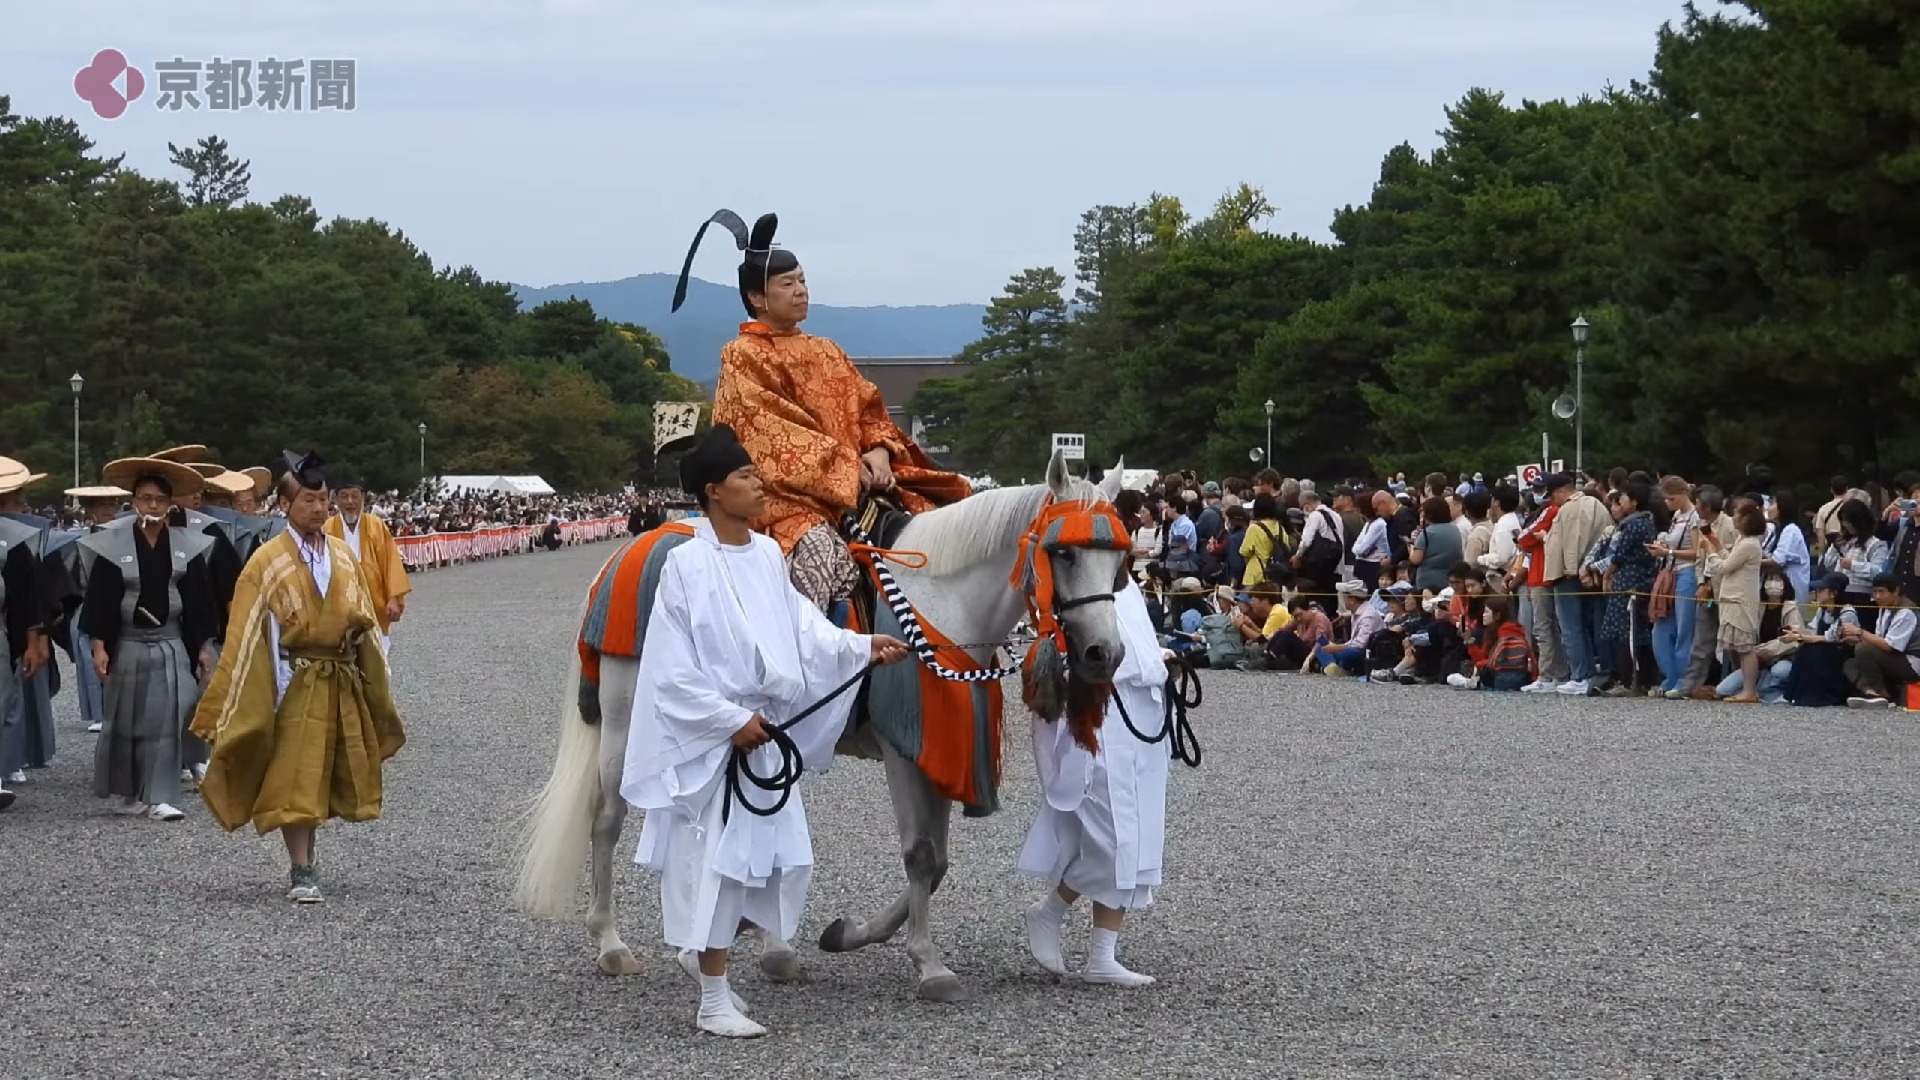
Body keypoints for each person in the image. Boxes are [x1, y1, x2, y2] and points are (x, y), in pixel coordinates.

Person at [619, 424, 910, 1038]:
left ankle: (704, 957)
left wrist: (859, 645)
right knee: (721, 866)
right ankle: (714, 999)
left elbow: (803, 629)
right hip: (715, 737)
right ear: (713, 492)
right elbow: (670, 669)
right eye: (746, 477)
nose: (759, 485)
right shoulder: (685, 566)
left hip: (763, 731)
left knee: (775, 863)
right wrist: (728, 721)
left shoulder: (768, 554)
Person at [682, 209, 972, 613]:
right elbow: (768, 432)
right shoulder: (741, 356)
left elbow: (869, 406)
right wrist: (847, 466)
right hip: (791, 500)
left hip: (862, 484)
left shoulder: (827, 349)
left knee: (951, 527)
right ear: (757, 297)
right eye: (787, 283)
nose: (801, 290)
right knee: (820, 559)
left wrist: (879, 450)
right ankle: (804, 668)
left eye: (802, 280)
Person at [190, 451, 405, 903]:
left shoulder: (343, 556)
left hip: (339, 674)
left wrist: (372, 677)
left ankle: (308, 852)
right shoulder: (268, 560)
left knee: (324, 769)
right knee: (293, 774)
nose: (319, 508)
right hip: (294, 675)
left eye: (322, 500)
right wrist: (265, 687)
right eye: (308, 500)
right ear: (285, 505)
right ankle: (301, 867)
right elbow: (249, 627)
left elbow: (363, 612)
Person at [1020, 576, 1172, 987]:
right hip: (1099, 716)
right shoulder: (1072, 579)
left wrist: (1154, 657)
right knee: (1112, 838)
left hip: (1142, 712)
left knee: (1135, 840)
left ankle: (1103, 955)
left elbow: (1135, 637)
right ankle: (1050, 911)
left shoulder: (1128, 585)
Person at [78, 460, 222, 821]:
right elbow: (100, 598)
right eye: (145, 499)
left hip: (171, 640)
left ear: (171, 503)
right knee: (127, 720)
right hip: (127, 642)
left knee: (167, 717)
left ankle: (160, 796)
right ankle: (133, 793)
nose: (152, 506)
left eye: (159, 499)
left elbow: (200, 601)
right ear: (134, 502)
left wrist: (204, 648)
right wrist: (99, 645)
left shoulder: (187, 545)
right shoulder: (113, 544)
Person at [0, 459, 59, 811]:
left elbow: (26, 590)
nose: (23, 506)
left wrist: (36, 637)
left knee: (2, 702)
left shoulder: (15, 539)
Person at [324, 471, 411, 657]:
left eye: (354, 496)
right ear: (335, 500)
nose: (349, 502)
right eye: (344, 496)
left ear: (363, 497)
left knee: (378, 664)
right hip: (339, 605)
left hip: (375, 603)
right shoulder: (327, 528)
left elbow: (391, 563)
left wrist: (394, 598)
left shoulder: (377, 525)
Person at [1840, 573, 1920, 708]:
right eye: (1875, 592)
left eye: (1881, 592)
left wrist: (1860, 632)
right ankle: (1872, 694)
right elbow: (1879, 639)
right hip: (1895, 658)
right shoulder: (1885, 609)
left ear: (1895, 591)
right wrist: (1855, 638)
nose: (1877, 596)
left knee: (1864, 649)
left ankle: (1883, 694)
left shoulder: (1906, 612)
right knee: (1850, 663)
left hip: (1912, 662)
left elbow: (1890, 646)